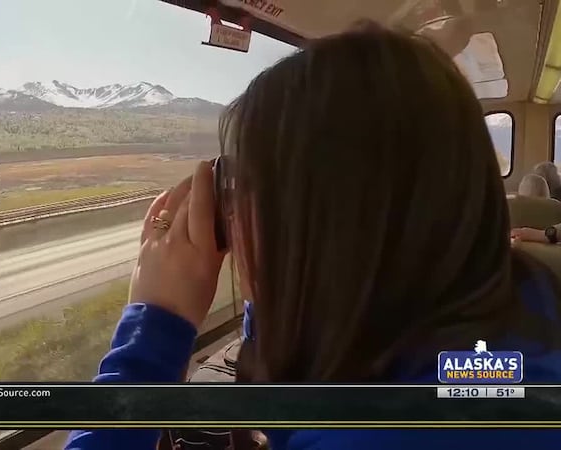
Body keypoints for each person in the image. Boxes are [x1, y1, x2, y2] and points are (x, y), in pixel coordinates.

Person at [65, 22, 561, 450]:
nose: (231, 218)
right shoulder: (521, 298)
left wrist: (153, 330)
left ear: (321, 218)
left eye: (248, 188)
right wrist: (280, 285)